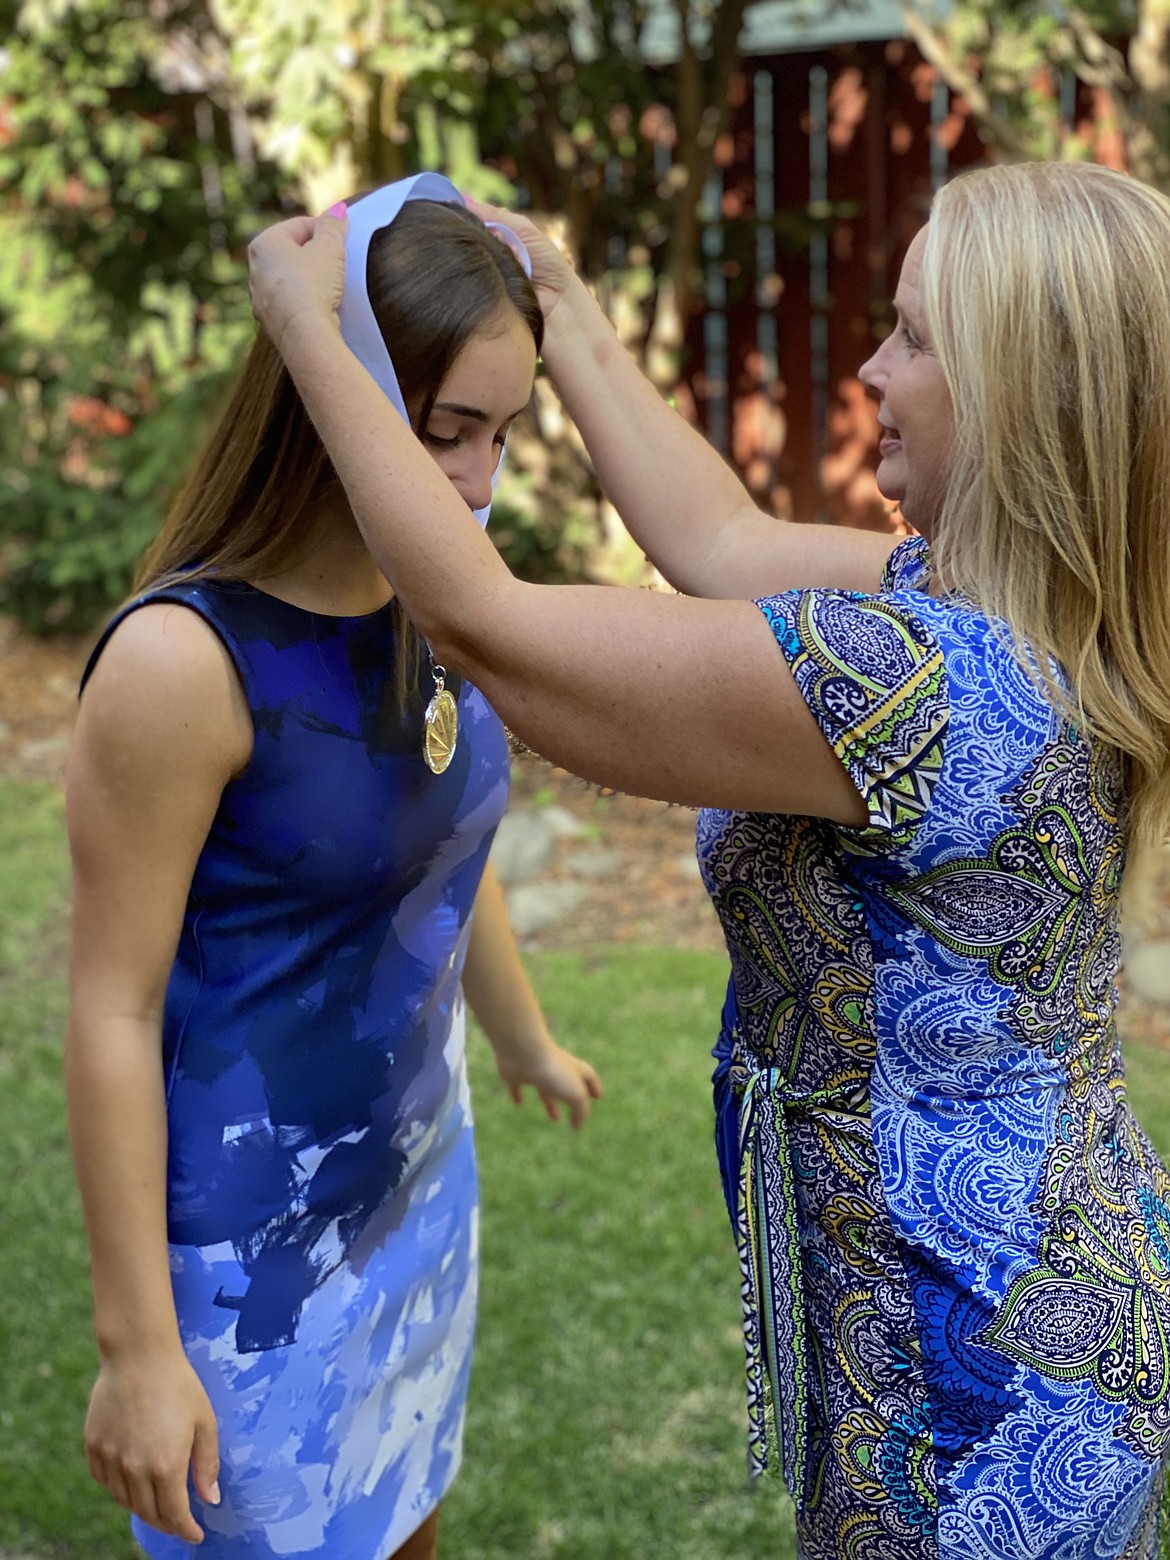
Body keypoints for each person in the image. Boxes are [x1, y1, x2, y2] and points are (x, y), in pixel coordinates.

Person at [246, 157, 1170, 1559]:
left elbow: (488, 627)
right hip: (1007, 1311)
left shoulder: (922, 682)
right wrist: (563, 311)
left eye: (913, 338)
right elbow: (716, 538)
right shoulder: (1011, 604)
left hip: (982, 1379)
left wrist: (306, 324)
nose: (867, 367)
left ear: (1024, 397)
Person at [65, 173, 600, 1560]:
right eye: (444, 434)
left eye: (503, 434)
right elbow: (111, 1012)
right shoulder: (186, 664)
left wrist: (524, 1040)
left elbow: (444, 844)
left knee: (407, 1523)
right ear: (332, 391)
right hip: (247, 1269)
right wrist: (138, 1348)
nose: (479, 483)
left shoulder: (440, 597)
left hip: (418, 1186)